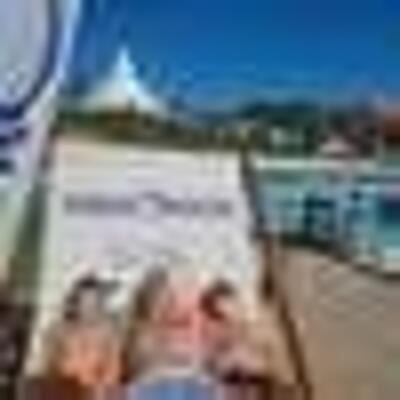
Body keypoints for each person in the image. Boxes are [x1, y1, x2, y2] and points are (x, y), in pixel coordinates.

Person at [44, 275, 122, 392]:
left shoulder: (109, 332)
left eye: (94, 303)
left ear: (101, 304)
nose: (89, 308)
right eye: (85, 302)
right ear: (75, 303)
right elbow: (48, 365)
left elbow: (113, 372)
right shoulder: (59, 329)